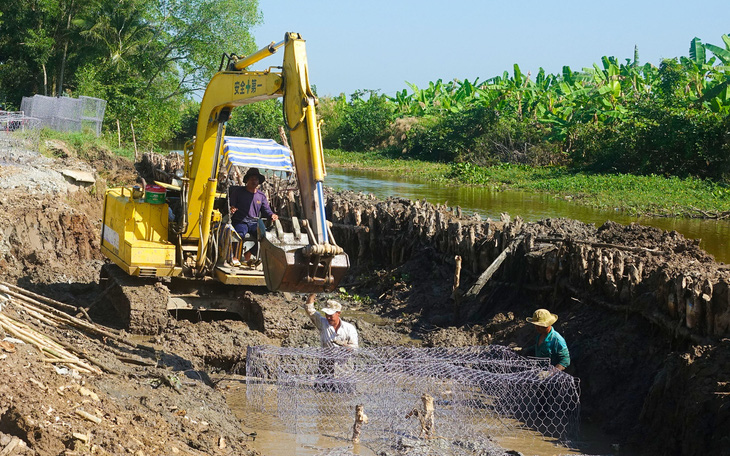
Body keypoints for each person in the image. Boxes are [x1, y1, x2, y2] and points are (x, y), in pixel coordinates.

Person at [229, 167, 278, 266]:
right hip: (240, 220)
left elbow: (266, 210)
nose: (254, 181)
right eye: (251, 178)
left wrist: (272, 215)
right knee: (239, 234)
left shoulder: (261, 196)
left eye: (256, 179)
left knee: (265, 237)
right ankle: (235, 257)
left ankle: (249, 254)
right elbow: (231, 205)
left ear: (258, 181)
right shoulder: (238, 192)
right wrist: (232, 208)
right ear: (247, 180)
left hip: (254, 222)